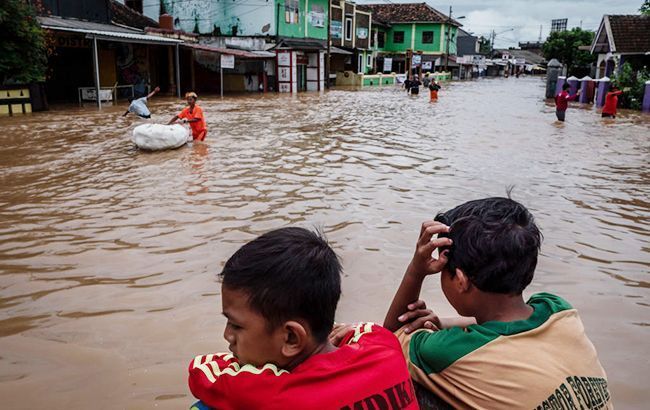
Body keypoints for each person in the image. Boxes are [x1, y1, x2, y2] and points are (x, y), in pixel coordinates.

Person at [384, 197, 612, 409]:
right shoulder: (557, 309)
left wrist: (416, 270)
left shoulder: (446, 353)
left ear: (461, 280)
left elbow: (387, 343)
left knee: (417, 383)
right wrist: (443, 323)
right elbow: (501, 326)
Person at [188, 227, 418, 410]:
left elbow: (202, 371)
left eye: (236, 325)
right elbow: (367, 329)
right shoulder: (385, 349)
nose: (227, 335)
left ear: (291, 338)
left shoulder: (271, 396)